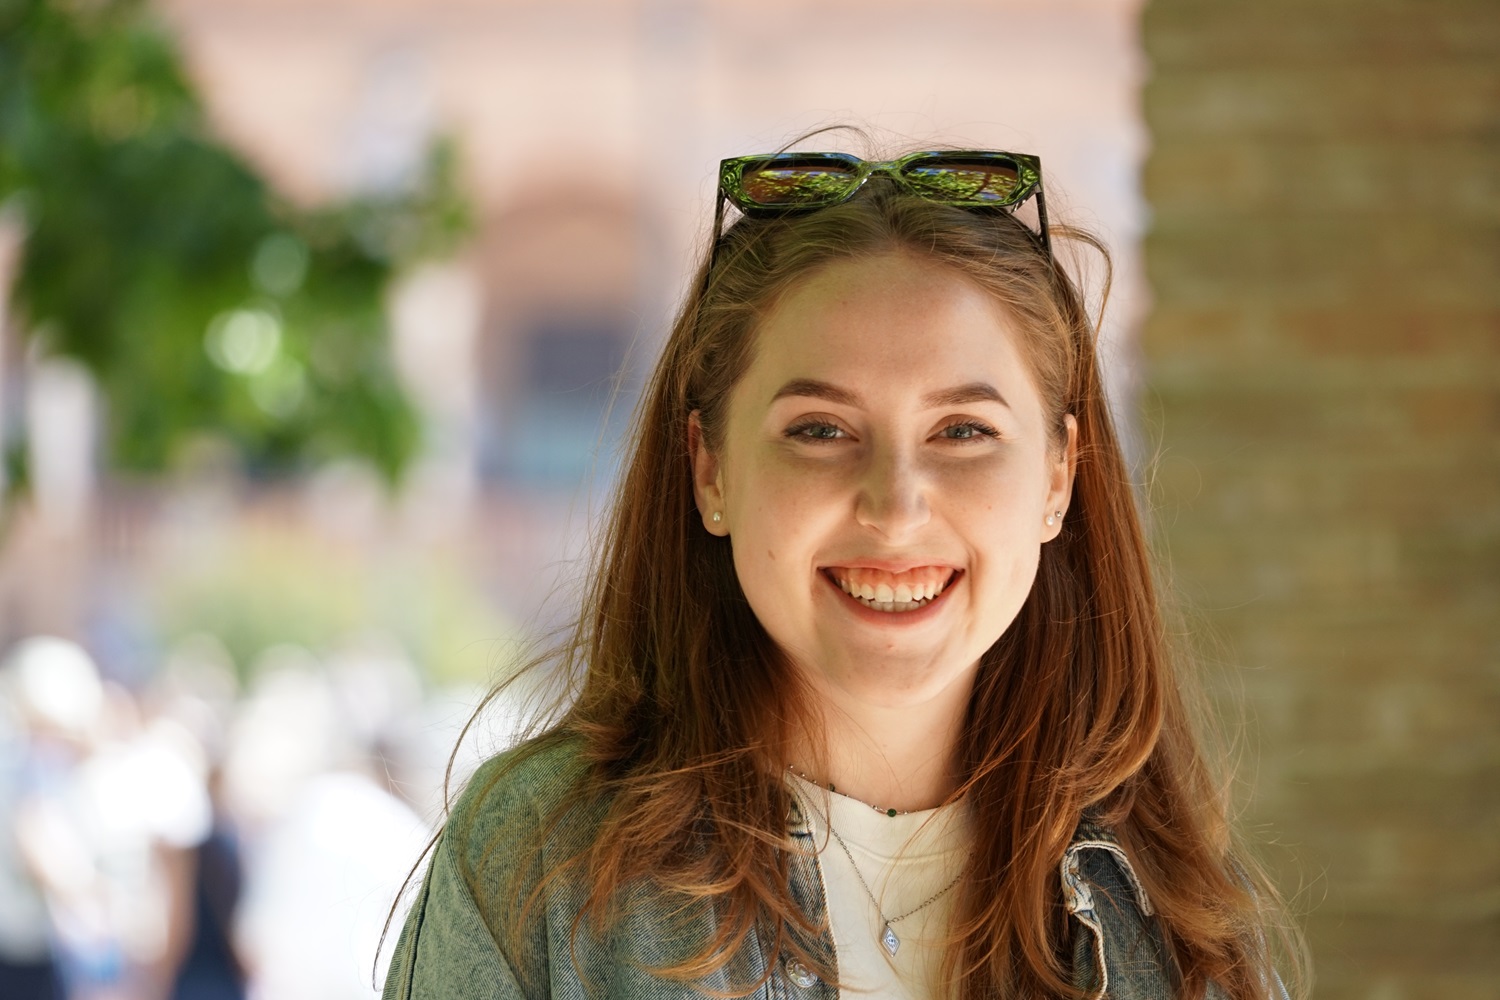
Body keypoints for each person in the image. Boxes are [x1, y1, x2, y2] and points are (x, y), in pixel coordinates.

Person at [381, 140, 1305, 1000]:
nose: (895, 508)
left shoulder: (1177, 918)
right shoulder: (540, 865)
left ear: (1059, 476)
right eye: (819, 430)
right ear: (710, 470)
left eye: (965, 432)